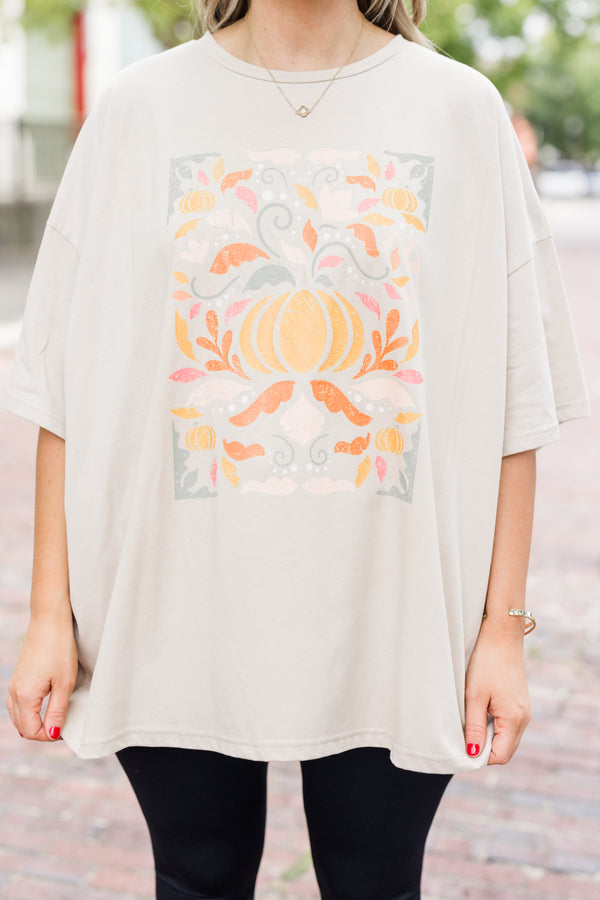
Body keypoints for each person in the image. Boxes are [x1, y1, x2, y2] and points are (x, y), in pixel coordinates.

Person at [3, 1, 592, 898]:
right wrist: (50, 616)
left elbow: (518, 395)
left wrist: (502, 632)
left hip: (391, 612)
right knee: (196, 878)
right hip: (178, 604)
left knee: (375, 884)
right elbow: (64, 386)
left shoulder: (460, 111)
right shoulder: (138, 110)